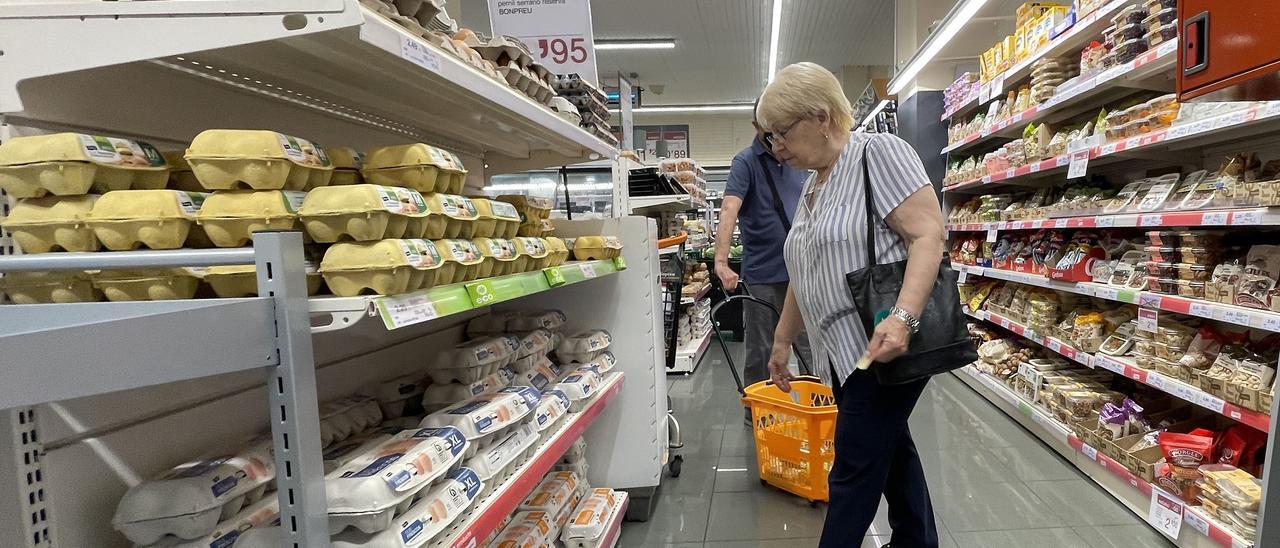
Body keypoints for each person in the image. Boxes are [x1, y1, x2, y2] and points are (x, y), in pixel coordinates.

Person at [757, 62, 948, 548]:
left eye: (780, 133)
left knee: (853, 468)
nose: (775, 147)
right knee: (890, 449)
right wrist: (782, 340)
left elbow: (928, 233)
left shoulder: (878, 153)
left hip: (880, 340)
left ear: (821, 117)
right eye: (768, 137)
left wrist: (902, 317)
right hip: (839, 351)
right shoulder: (815, 185)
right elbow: (805, 268)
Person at [714, 103, 813, 420]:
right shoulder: (746, 161)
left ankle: (815, 403)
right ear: (756, 125)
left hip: (802, 271)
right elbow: (729, 209)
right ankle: (758, 411)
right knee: (761, 348)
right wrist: (721, 261)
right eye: (768, 128)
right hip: (763, 274)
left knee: (810, 343)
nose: (776, 137)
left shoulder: (798, 158)